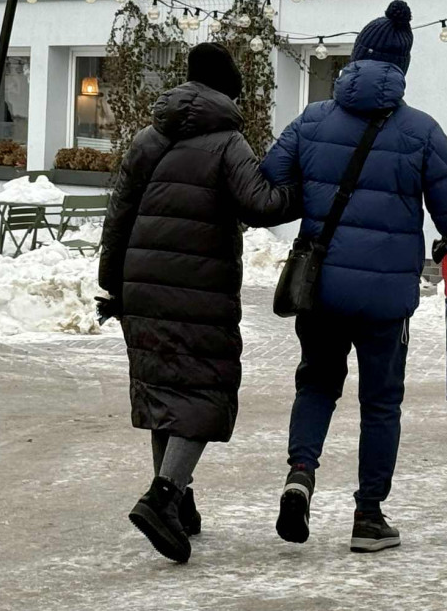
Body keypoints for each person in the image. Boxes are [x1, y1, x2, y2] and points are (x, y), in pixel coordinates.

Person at [260, 0, 447, 554]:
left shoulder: (311, 119)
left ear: (356, 60)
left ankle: (300, 476)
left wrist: (316, 197)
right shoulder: (421, 131)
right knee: (380, 404)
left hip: (322, 289)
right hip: (386, 301)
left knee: (316, 384)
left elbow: (269, 181)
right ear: (401, 68)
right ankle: (368, 516)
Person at [96, 42, 300, 564]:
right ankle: (162, 499)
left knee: (164, 390)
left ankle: (179, 500)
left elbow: (119, 213)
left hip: (143, 284)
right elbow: (261, 205)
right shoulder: (227, 142)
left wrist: (112, 284)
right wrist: (303, 189)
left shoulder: (147, 138)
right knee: (202, 391)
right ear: (228, 91)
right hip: (199, 287)